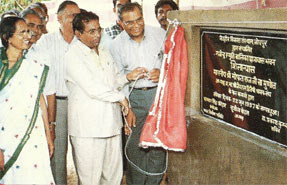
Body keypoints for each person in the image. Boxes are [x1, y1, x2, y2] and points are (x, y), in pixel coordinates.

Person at [65, 11, 134, 185]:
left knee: (113, 177)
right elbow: (92, 87)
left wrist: (128, 77)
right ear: (78, 34)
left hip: (111, 125)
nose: (97, 35)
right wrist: (121, 99)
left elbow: (113, 80)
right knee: (90, 180)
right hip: (87, 130)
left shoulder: (103, 51)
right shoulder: (72, 56)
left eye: (99, 29)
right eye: (91, 31)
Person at [110, 2, 166, 185]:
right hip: (133, 97)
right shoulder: (116, 45)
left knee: (157, 144)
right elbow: (116, 78)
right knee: (135, 146)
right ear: (121, 23)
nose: (136, 25)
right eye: (129, 22)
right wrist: (128, 108)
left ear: (143, 17)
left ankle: (154, 183)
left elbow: (172, 64)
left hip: (157, 95)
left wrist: (162, 73)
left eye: (139, 20)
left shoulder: (159, 35)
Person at [0, 16, 54, 184]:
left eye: (28, 32)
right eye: (22, 32)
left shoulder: (34, 66)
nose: (28, 36)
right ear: (7, 37)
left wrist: (48, 134)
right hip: (5, 138)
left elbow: (40, 102)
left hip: (32, 136)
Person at [33, 1, 80, 184]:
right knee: (58, 153)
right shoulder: (46, 42)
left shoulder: (83, 40)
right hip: (57, 104)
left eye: (78, 15)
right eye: (72, 16)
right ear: (59, 18)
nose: (77, 19)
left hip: (80, 103)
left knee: (83, 152)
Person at [20, 8, 57, 142]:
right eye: (31, 25)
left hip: (39, 123)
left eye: (39, 27)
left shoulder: (44, 56)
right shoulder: (6, 55)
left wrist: (51, 126)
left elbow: (50, 93)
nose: (35, 30)